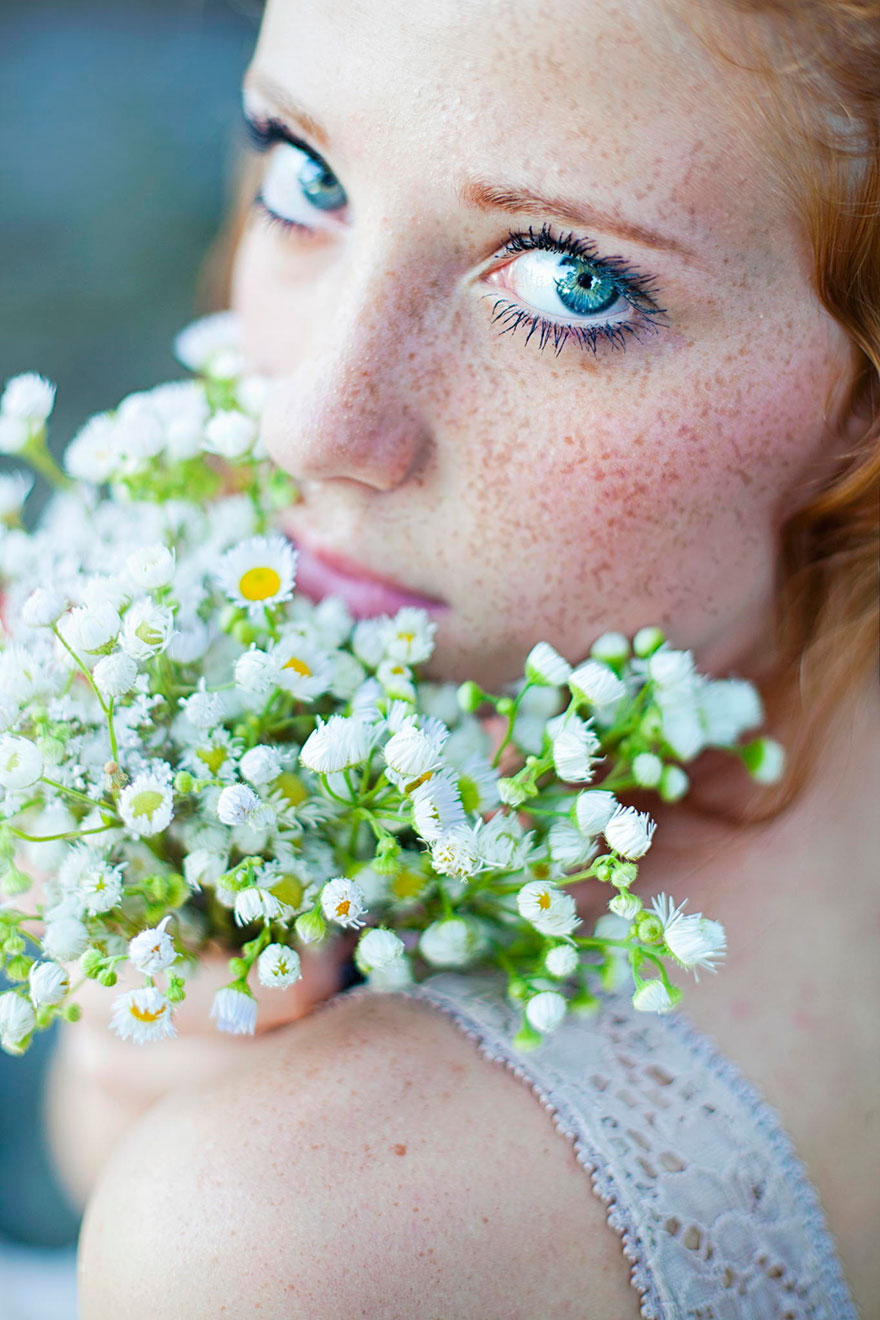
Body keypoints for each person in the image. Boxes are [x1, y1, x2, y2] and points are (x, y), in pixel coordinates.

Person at [68, 0, 878, 1314]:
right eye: (306, 174)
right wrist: (141, 1076)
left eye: (573, 280)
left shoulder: (290, 1233)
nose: (307, 423)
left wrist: (179, 1152)